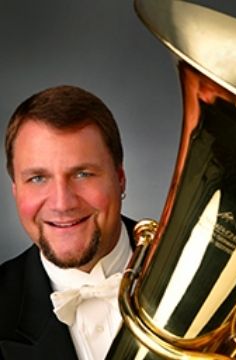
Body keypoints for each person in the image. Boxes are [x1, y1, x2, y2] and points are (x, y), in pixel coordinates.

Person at [0, 85, 137, 360]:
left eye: (83, 174)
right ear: (15, 190)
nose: (62, 204)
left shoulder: (203, 271)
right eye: (37, 178)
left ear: (120, 178)